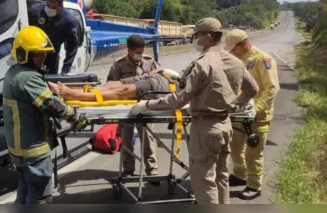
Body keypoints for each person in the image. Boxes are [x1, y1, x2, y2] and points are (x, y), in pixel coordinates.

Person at [129, 17, 259, 204]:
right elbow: (252, 90)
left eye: (196, 36)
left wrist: (146, 105)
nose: (194, 40)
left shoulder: (202, 63)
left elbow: (177, 100)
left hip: (206, 128)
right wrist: (234, 102)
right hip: (225, 125)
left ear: (207, 37)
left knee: (204, 181)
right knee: (221, 177)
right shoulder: (235, 62)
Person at [2, 26, 88, 204]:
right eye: (37, 54)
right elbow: (53, 106)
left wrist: (47, 86)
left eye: (43, 54)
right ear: (22, 53)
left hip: (19, 148)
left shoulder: (14, 72)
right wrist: (76, 117)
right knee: (41, 196)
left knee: (25, 190)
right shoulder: (28, 78)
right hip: (33, 150)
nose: (42, 58)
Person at [224, 29, 280, 200]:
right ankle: (240, 175)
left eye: (234, 48)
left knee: (253, 152)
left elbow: (271, 88)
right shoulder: (238, 59)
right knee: (235, 146)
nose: (232, 51)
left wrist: (256, 109)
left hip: (258, 115)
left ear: (243, 44)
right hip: (240, 112)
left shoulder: (263, 59)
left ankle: (254, 185)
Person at [106, 35, 161, 184]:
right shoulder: (119, 66)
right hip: (126, 109)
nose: (140, 56)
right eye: (137, 52)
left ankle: (152, 171)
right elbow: (110, 87)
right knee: (126, 140)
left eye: (142, 52)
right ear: (129, 51)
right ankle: (128, 170)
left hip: (145, 107)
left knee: (148, 140)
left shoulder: (149, 62)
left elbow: (158, 82)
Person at [28, 0, 80, 75]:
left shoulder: (69, 21)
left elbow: (72, 47)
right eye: (48, 5)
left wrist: (65, 70)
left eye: (53, 7)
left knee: (50, 83)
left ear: (61, 5)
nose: (50, 9)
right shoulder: (34, 11)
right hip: (32, 55)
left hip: (51, 58)